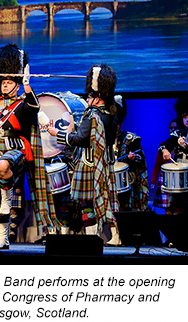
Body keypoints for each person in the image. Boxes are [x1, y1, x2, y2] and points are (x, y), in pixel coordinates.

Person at [0, 43, 60, 249]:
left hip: (16, 151)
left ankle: (9, 205)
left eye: (9, 82)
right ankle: (3, 239)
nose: (5, 85)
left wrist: (27, 86)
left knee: (3, 167)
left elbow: (35, 106)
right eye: (3, 82)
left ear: (15, 84)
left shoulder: (23, 104)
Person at [47, 64, 120, 246]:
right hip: (107, 164)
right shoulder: (113, 115)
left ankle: (91, 238)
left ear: (96, 97)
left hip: (89, 165)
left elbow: (79, 139)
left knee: (87, 204)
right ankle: (113, 238)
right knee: (107, 201)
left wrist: (57, 134)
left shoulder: (92, 115)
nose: (87, 99)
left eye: (89, 96)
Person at [156, 93, 188, 215]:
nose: (187, 119)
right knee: (176, 211)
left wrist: (185, 146)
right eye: (185, 116)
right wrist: (165, 150)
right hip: (180, 179)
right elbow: (165, 144)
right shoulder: (178, 133)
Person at [114, 95, 149, 211]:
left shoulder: (131, 139)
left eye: (118, 122)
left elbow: (140, 159)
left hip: (127, 183)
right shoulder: (102, 140)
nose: (116, 126)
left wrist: (133, 158)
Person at [151, 119, 178, 213]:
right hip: (165, 179)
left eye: (175, 128)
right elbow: (157, 164)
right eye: (171, 128)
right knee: (167, 207)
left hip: (178, 178)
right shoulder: (163, 145)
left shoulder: (182, 145)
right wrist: (153, 182)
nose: (173, 130)